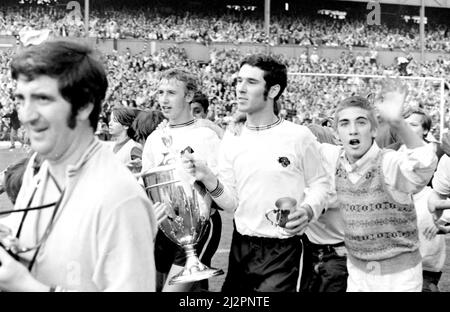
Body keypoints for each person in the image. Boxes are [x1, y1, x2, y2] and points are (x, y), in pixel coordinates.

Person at [0, 39, 157, 292]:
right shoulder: (39, 168)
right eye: (20, 100)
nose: (26, 115)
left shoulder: (120, 199)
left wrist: (25, 285)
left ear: (84, 106)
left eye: (42, 99)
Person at [182, 54, 330, 292]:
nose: (240, 88)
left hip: (284, 251)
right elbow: (230, 203)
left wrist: (309, 209)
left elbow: (321, 183)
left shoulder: (298, 136)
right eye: (239, 81)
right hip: (241, 248)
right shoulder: (233, 137)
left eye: (251, 82)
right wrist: (207, 176)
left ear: (273, 91)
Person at [331, 83, 437, 292]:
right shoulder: (334, 161)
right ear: (336, 133)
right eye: (345, 123)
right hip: (357, 273)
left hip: (398, 279)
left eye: (361, 122)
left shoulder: (387, 162)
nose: (353, 130)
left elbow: (424, 164)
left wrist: (398, 123)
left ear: (373, 130)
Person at [141, 68, 222, 292]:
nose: (163, 99)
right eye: (160, 92)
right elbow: (147, 186)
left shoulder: (206, 136)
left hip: (199, 227)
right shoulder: (154, 138)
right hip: (164, 228)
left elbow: (221, 185)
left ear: (188, 96)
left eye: (171, 93)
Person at [108, 106, 142, 172]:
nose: (110, 123)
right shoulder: (110, 146)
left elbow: (140, 172)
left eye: (114, 121)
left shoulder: (133, 147)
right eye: (110, 120)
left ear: (126, 125)